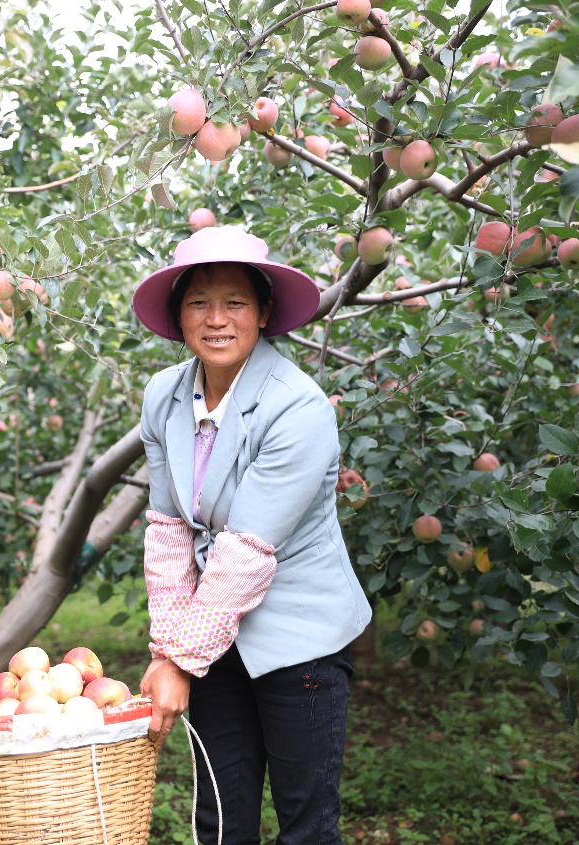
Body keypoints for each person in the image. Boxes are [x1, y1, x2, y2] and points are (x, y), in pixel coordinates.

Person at [133, 226, 371, 845]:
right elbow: (167, 532)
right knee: (220, 817)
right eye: (198, 302)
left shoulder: (298, 407)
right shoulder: (163, 396)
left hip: (300, 637)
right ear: (177, 316)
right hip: (213, 640)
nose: (217, 319)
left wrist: (180, 662)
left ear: (264, 313)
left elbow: (243, 552)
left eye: (235, 302)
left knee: (306, 824)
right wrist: (169, 650)